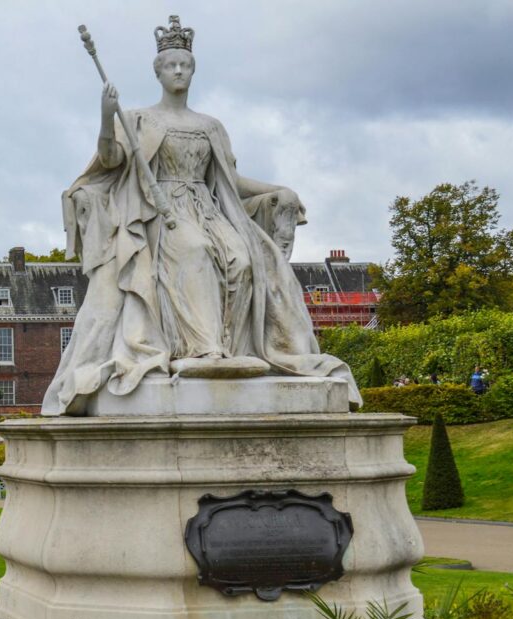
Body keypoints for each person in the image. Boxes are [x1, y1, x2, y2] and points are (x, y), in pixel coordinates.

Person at [41, 15, 360, 416]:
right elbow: (111, 160)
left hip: (208, 209)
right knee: (193, 253)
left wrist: (279, 191)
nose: (179, 71)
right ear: (158, 72)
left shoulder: (211, 126)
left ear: (193, 70)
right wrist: (107, 118)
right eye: (171, 65)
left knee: (243, 260)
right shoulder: (138, 119)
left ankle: (230, 350)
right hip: (159, 214)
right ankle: (202, 348)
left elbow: (230, 179)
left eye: (185, 65)